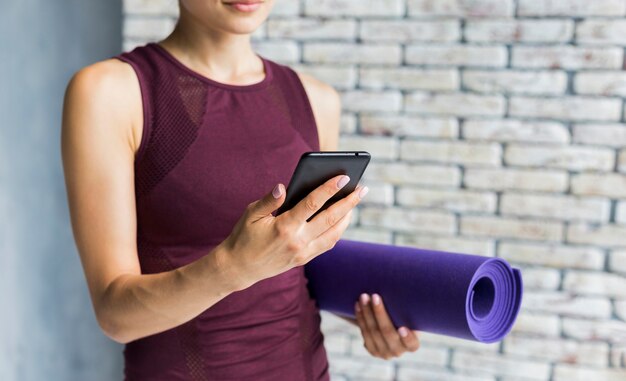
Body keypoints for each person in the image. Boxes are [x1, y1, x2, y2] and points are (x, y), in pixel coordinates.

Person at [61, 0, 420, 379]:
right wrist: (233, 267)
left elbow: (304, 267)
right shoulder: (109, 92)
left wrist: (378, 313)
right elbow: (116, 316)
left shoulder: (318, 100)